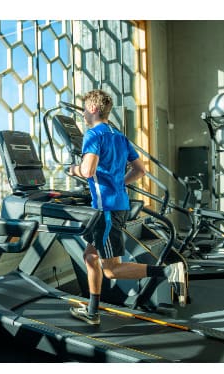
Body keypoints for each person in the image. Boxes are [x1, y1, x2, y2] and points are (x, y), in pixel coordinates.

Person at [68, 89, 187, 325]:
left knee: (111, 270)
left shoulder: (93, 134)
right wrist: (118, 181)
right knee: (90, 257)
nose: (82, 114)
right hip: (116, 204)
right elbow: (140, 170)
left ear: (92, 109)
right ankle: (92, 312)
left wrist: (72, 169)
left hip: (106, 210)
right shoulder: (119, 136)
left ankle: (167, 272)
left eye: (83, 109)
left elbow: (87, 170)